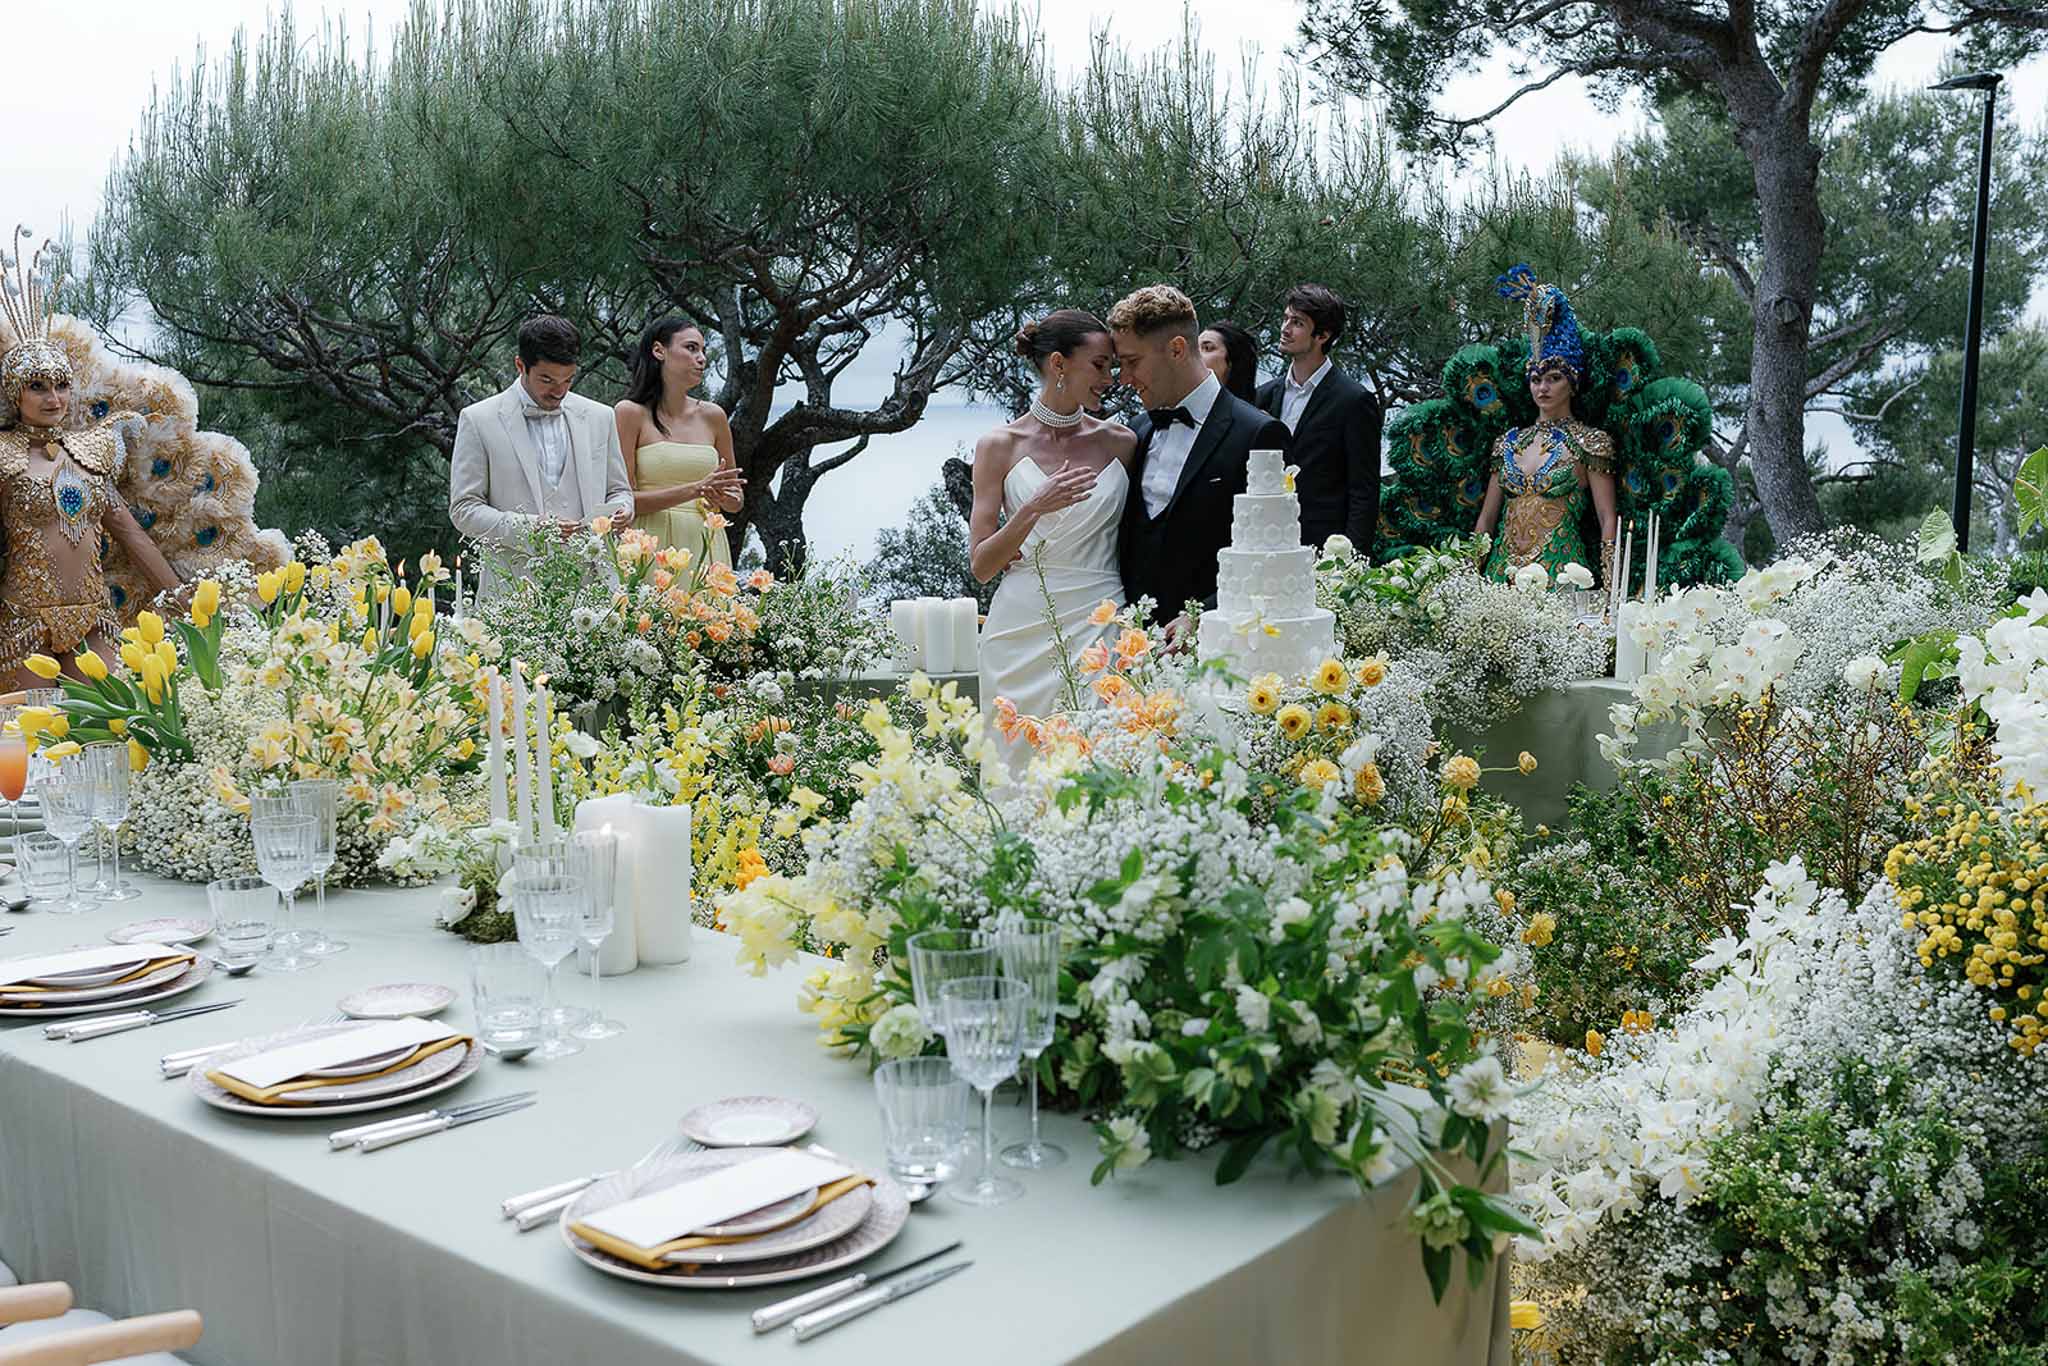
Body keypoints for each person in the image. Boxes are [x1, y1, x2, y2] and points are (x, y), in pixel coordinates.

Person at [0, 238, 181, 690]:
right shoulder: (4, 456)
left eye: (61, 385)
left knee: (111, 726)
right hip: (22, 622)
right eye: (38, 387)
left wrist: (183, 599)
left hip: (92, 620)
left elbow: (130, 534)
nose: (53, 398)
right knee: (33, 737)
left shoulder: (93, 452)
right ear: (15, 395)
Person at [971, 309, 1134, 757]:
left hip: (1102, 624)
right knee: (1018, 767)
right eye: (1100, 366)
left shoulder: (1122, 442)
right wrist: (1033, 508)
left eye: (1113, 367)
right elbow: (982, 565)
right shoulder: (998, 446)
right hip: (1020, 632)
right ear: (1059, 364)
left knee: (1101, 758)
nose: (1110, 378)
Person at [1113, 285, 1290, 647]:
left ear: (1177, 349)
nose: (1124, 378)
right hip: (1131, 653)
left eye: (1132, 362)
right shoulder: (1136, 430)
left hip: (1222, 650)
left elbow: (1272, 555)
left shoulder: (1259, 433)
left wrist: (1203, 615)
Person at [448, 315, 635, 599]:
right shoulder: (478, 419)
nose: (559, 391)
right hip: (513, 589)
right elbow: (463, 509)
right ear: (520, 365)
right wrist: (529, 528)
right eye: (547, 379)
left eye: (568, 379)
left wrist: (622, 509)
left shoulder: (600, 416)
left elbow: (619, 489)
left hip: (593, 590)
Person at [1472, 266, 1617, 583]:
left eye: (1554, 379)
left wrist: (1611, 585)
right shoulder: (1507, 443)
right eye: (1536, 379)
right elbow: (1486, 518)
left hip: (1562, 582)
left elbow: (1607, 518)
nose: (1543, 388)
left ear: (1572, 383)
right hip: (1500, 581)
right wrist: (1469, 576)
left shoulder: (1590, 443)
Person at [1254, 284, 1382, 554]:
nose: (1285, 328)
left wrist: (1351, 562)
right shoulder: (1264, 395)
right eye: (1286, 318)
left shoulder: (1354, 401)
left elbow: (1364, 491)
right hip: (1263, 542)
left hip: (1322, 550)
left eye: (1297, 322)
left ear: (1323, 335)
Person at [613, 316, 744, 567]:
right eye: (691, 348)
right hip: (648, 546)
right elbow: (622, 500)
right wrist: (695, 490)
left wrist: (724, 499)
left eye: (703, 351)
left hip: (705, 546)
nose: (702, 358)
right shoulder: (629, 413)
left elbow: (736, 499)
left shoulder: (714, 416)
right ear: (659, 350)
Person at [1197, 320, 1259, 405]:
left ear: (1233, 362)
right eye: (1195, 348)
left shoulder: (1251, 417)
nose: (1195, 354)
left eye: (1207, 348)